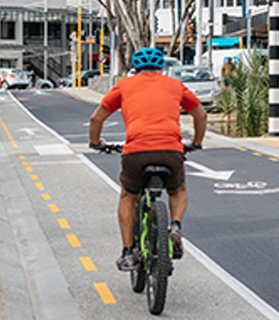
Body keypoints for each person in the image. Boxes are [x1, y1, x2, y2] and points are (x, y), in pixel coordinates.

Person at [88, 47, 207, 271]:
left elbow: (96, 119)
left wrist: (96, 143)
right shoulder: (175, 85)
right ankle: (175, 226)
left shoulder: (124, 85)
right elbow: (201, 114)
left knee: (128, 197)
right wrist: (197, 142)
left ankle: (127, 252)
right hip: (171, 151)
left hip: (136, 152)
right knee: (177, 190)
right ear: (161, 67)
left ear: (135, 67)